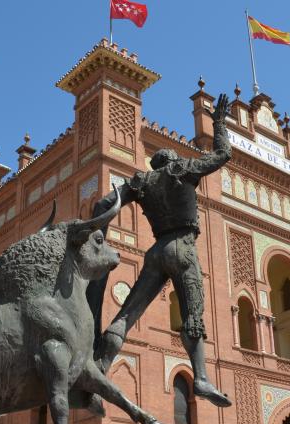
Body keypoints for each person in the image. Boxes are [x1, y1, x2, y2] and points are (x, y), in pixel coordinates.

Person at [91, 93, 233, 407]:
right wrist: (219, 122)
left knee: (126, 314)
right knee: (193, 317)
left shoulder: (142, 182)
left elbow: (104, 203)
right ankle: (202, 378)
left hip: (155, 252)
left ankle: (100, 366)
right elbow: (223, 154)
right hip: (183, 249)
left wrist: (96, 233)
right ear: (171, 159)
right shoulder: (183, 169)